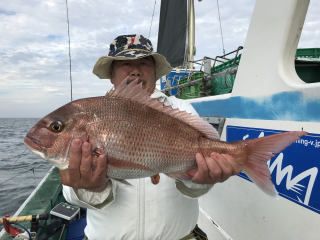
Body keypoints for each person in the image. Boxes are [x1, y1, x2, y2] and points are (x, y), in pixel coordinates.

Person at [60, 34, 242, 240]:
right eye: (125, 63)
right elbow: (72, 194)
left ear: (155, 73)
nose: (135, 70)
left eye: (144, 63)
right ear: (111, 75)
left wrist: (200, 180)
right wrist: (89, 187)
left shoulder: (180, 108)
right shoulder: (94, 115)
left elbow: (193, 187)